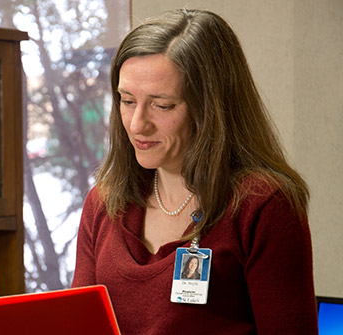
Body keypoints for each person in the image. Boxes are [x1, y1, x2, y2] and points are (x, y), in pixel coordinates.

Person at [71, 9, 317, 334]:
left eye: (162, 105)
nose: (136, 124)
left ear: (210, 108)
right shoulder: (104, 202)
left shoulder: (264, 205)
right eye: (127, 100)